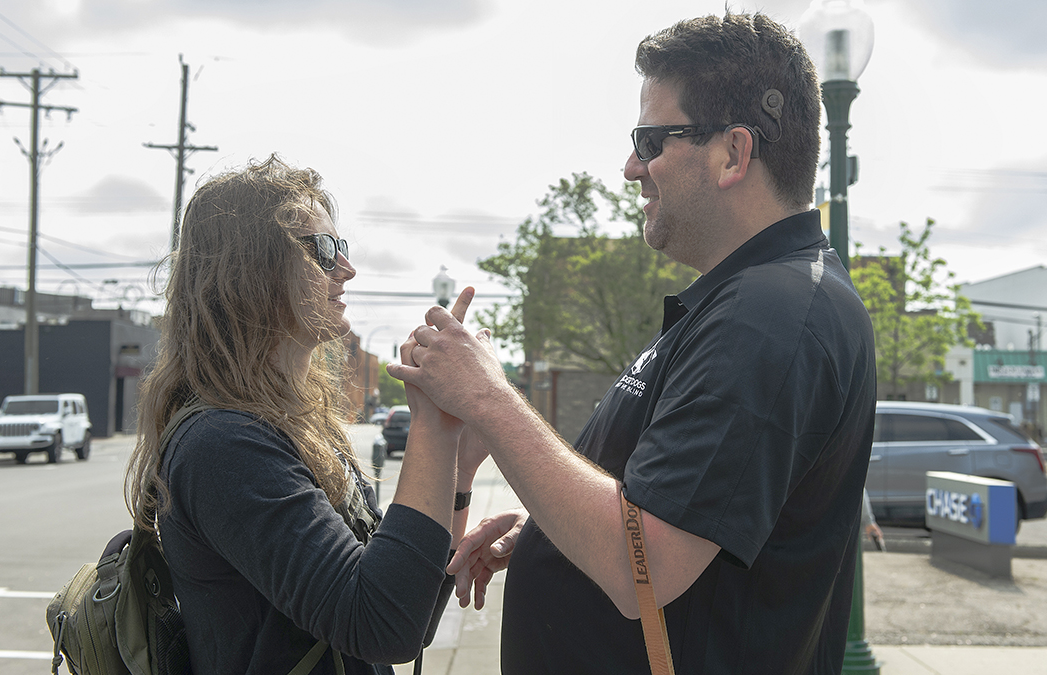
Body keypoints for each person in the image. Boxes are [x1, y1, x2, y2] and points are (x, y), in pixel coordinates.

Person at [391, 12, 878, 674]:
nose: (630, 167)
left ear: (734, 153)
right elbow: (677, 509)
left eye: (650, 140)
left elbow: (641, 563)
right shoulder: (750, 299)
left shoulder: (769, 315)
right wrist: (554, 535)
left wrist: (487, 396)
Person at [124, 156, 487, 675]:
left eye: (342, 247)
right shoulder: (223, 445)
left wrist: (459, 469)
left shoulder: (287, 427)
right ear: (251, 271)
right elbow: (384, 627)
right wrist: (433, 418)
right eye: (322, 250)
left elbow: (409, 608)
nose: (346, 268)